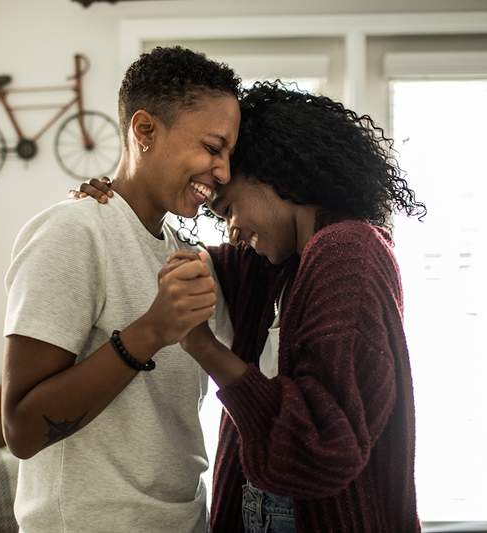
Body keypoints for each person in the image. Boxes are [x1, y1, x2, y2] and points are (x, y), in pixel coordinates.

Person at [74, 81, 425, 532]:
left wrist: (202, 346)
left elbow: (322, 445)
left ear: (274, 174)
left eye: (229, 209)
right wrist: (117, 204)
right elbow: (173, 259)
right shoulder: (275, 267)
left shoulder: (348, 252)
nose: (232, 231)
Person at [1, 46, 240, 533]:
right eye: (213, 148)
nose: (224, 172)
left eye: (230, 155)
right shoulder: (72, 232)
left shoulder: (185, 253)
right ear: (145, 130)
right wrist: (150, 331)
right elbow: (22, 431)